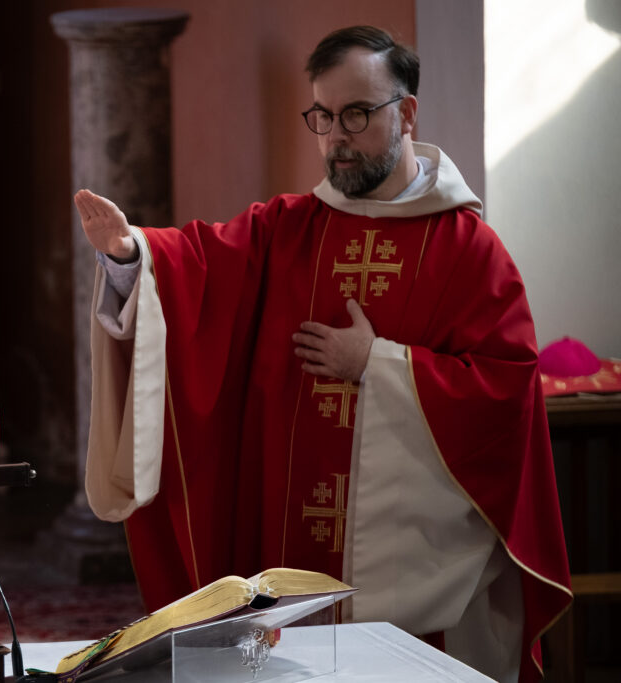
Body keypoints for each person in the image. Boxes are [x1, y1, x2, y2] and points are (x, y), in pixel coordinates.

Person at [76, 25, 571, 682]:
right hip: (291, 559)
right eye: (323, 116)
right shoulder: (287, 228)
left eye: (357, 114)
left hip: (423, 581)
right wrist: (129, 257)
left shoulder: (468, 250)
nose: (337, 136)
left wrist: (377, 363)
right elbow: (198, 267)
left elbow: (505, 392)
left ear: (407, 113)